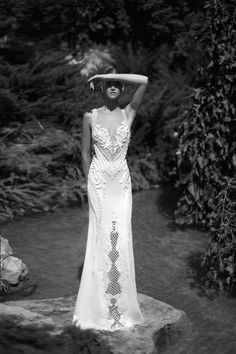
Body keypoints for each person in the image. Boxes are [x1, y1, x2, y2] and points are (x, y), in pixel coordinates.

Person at [72, 73, 148, 331]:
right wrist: (89, 181)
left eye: (117, 84)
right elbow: (84, 153)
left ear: (123, 87)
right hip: (100, 182)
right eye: (108, 84)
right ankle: (102, 303)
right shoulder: (90, 117)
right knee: (102, 236)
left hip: (122, 184)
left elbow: (145, 80)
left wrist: (105, 74)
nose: (113, 87)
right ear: (101, 89)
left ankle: (120, 304)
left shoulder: (129, 113)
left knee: (121, 237)